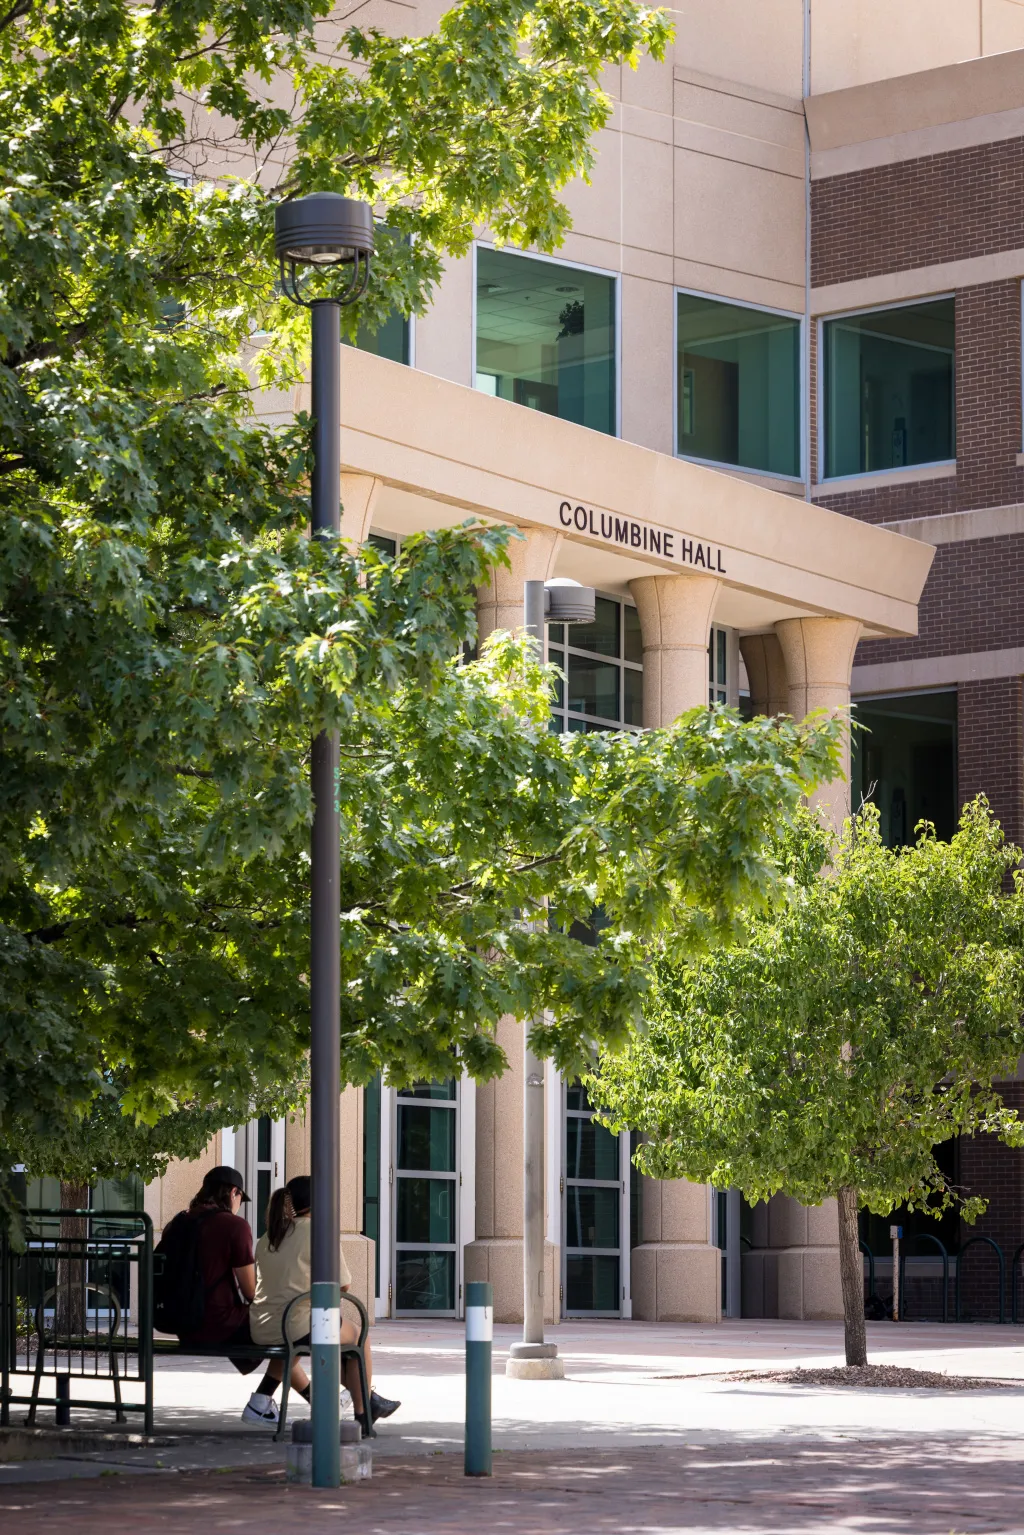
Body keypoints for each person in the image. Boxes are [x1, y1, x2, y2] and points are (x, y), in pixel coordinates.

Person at [246, 1175, 400, 1428]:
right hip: (297, 1323)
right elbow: (343, 1285)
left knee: (310, 1339)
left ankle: (367, 1400)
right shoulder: (319, 1232)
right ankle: (363, 1417)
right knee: (359, 1339)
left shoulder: (269, 1236)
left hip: (262, 1324)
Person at [157, 1165, 262, 1390]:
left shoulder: (178, 1223)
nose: (239, 1206)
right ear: (234, 1192)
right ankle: (266, 1399)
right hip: (219, 1322)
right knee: (282, 1329)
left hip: (180, 1322)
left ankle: (265, 1399)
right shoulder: (236, 1226)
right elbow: (251, 1291)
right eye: (241, 1199)